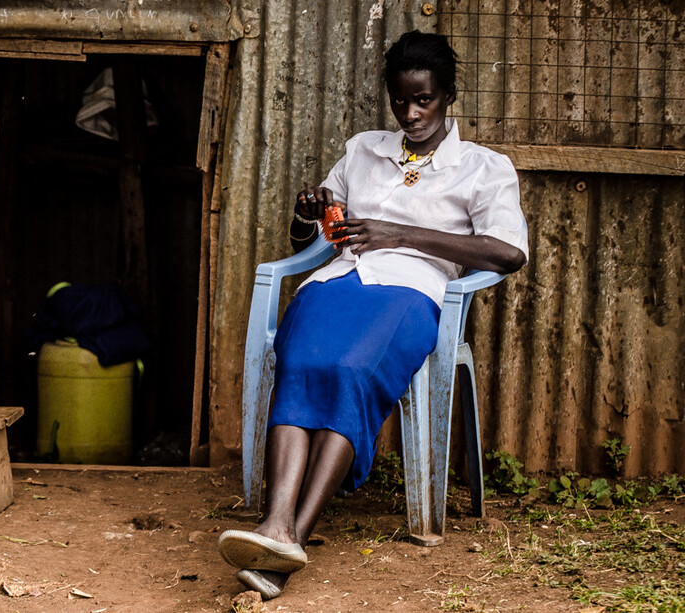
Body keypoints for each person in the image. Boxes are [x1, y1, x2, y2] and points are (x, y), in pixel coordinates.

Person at [217, 30, 529, 599]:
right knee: (303, 360)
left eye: (424, 100)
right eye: (400, 101)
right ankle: (276, 523)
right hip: (338, 283)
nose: (411, 113)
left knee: (352, 371)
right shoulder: (364, 148)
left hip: (410, 294)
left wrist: (397, 233)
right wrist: (307, 211)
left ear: (449, 95)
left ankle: (292, 537)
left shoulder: (484, 168)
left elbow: (508, 253)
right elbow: (316, 231)